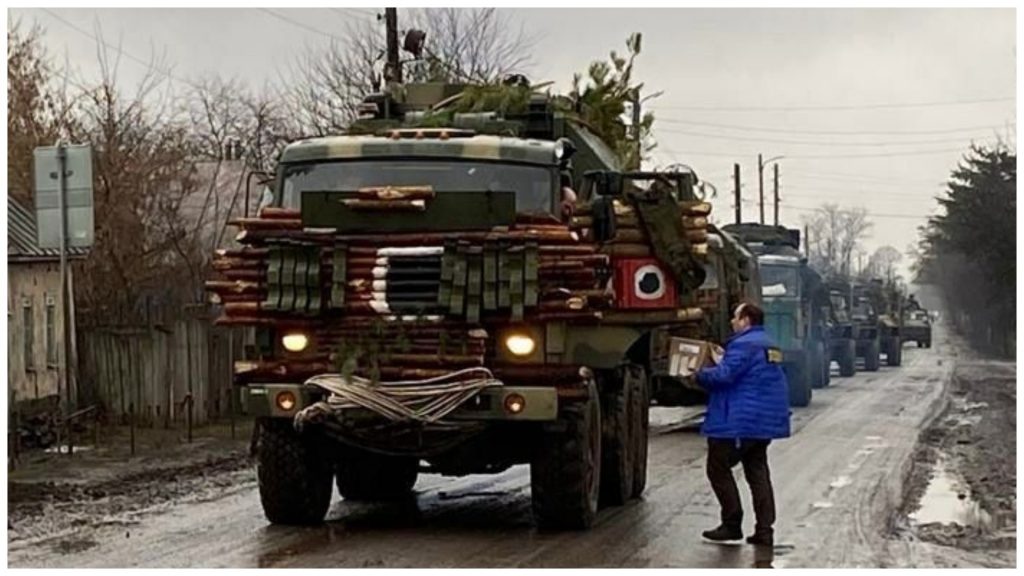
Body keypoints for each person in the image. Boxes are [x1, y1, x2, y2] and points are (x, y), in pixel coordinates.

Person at [695, 302, 791, 547]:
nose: (732, 322)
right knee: (758, 472)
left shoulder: (744, 345)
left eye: (735, 318)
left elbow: (724, 376)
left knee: (717, 468)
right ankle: (764, 530)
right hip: (762, 422)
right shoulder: (770, 344)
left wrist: (697, 372)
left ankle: (731, 523)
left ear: (746, 320)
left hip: (738, 421)